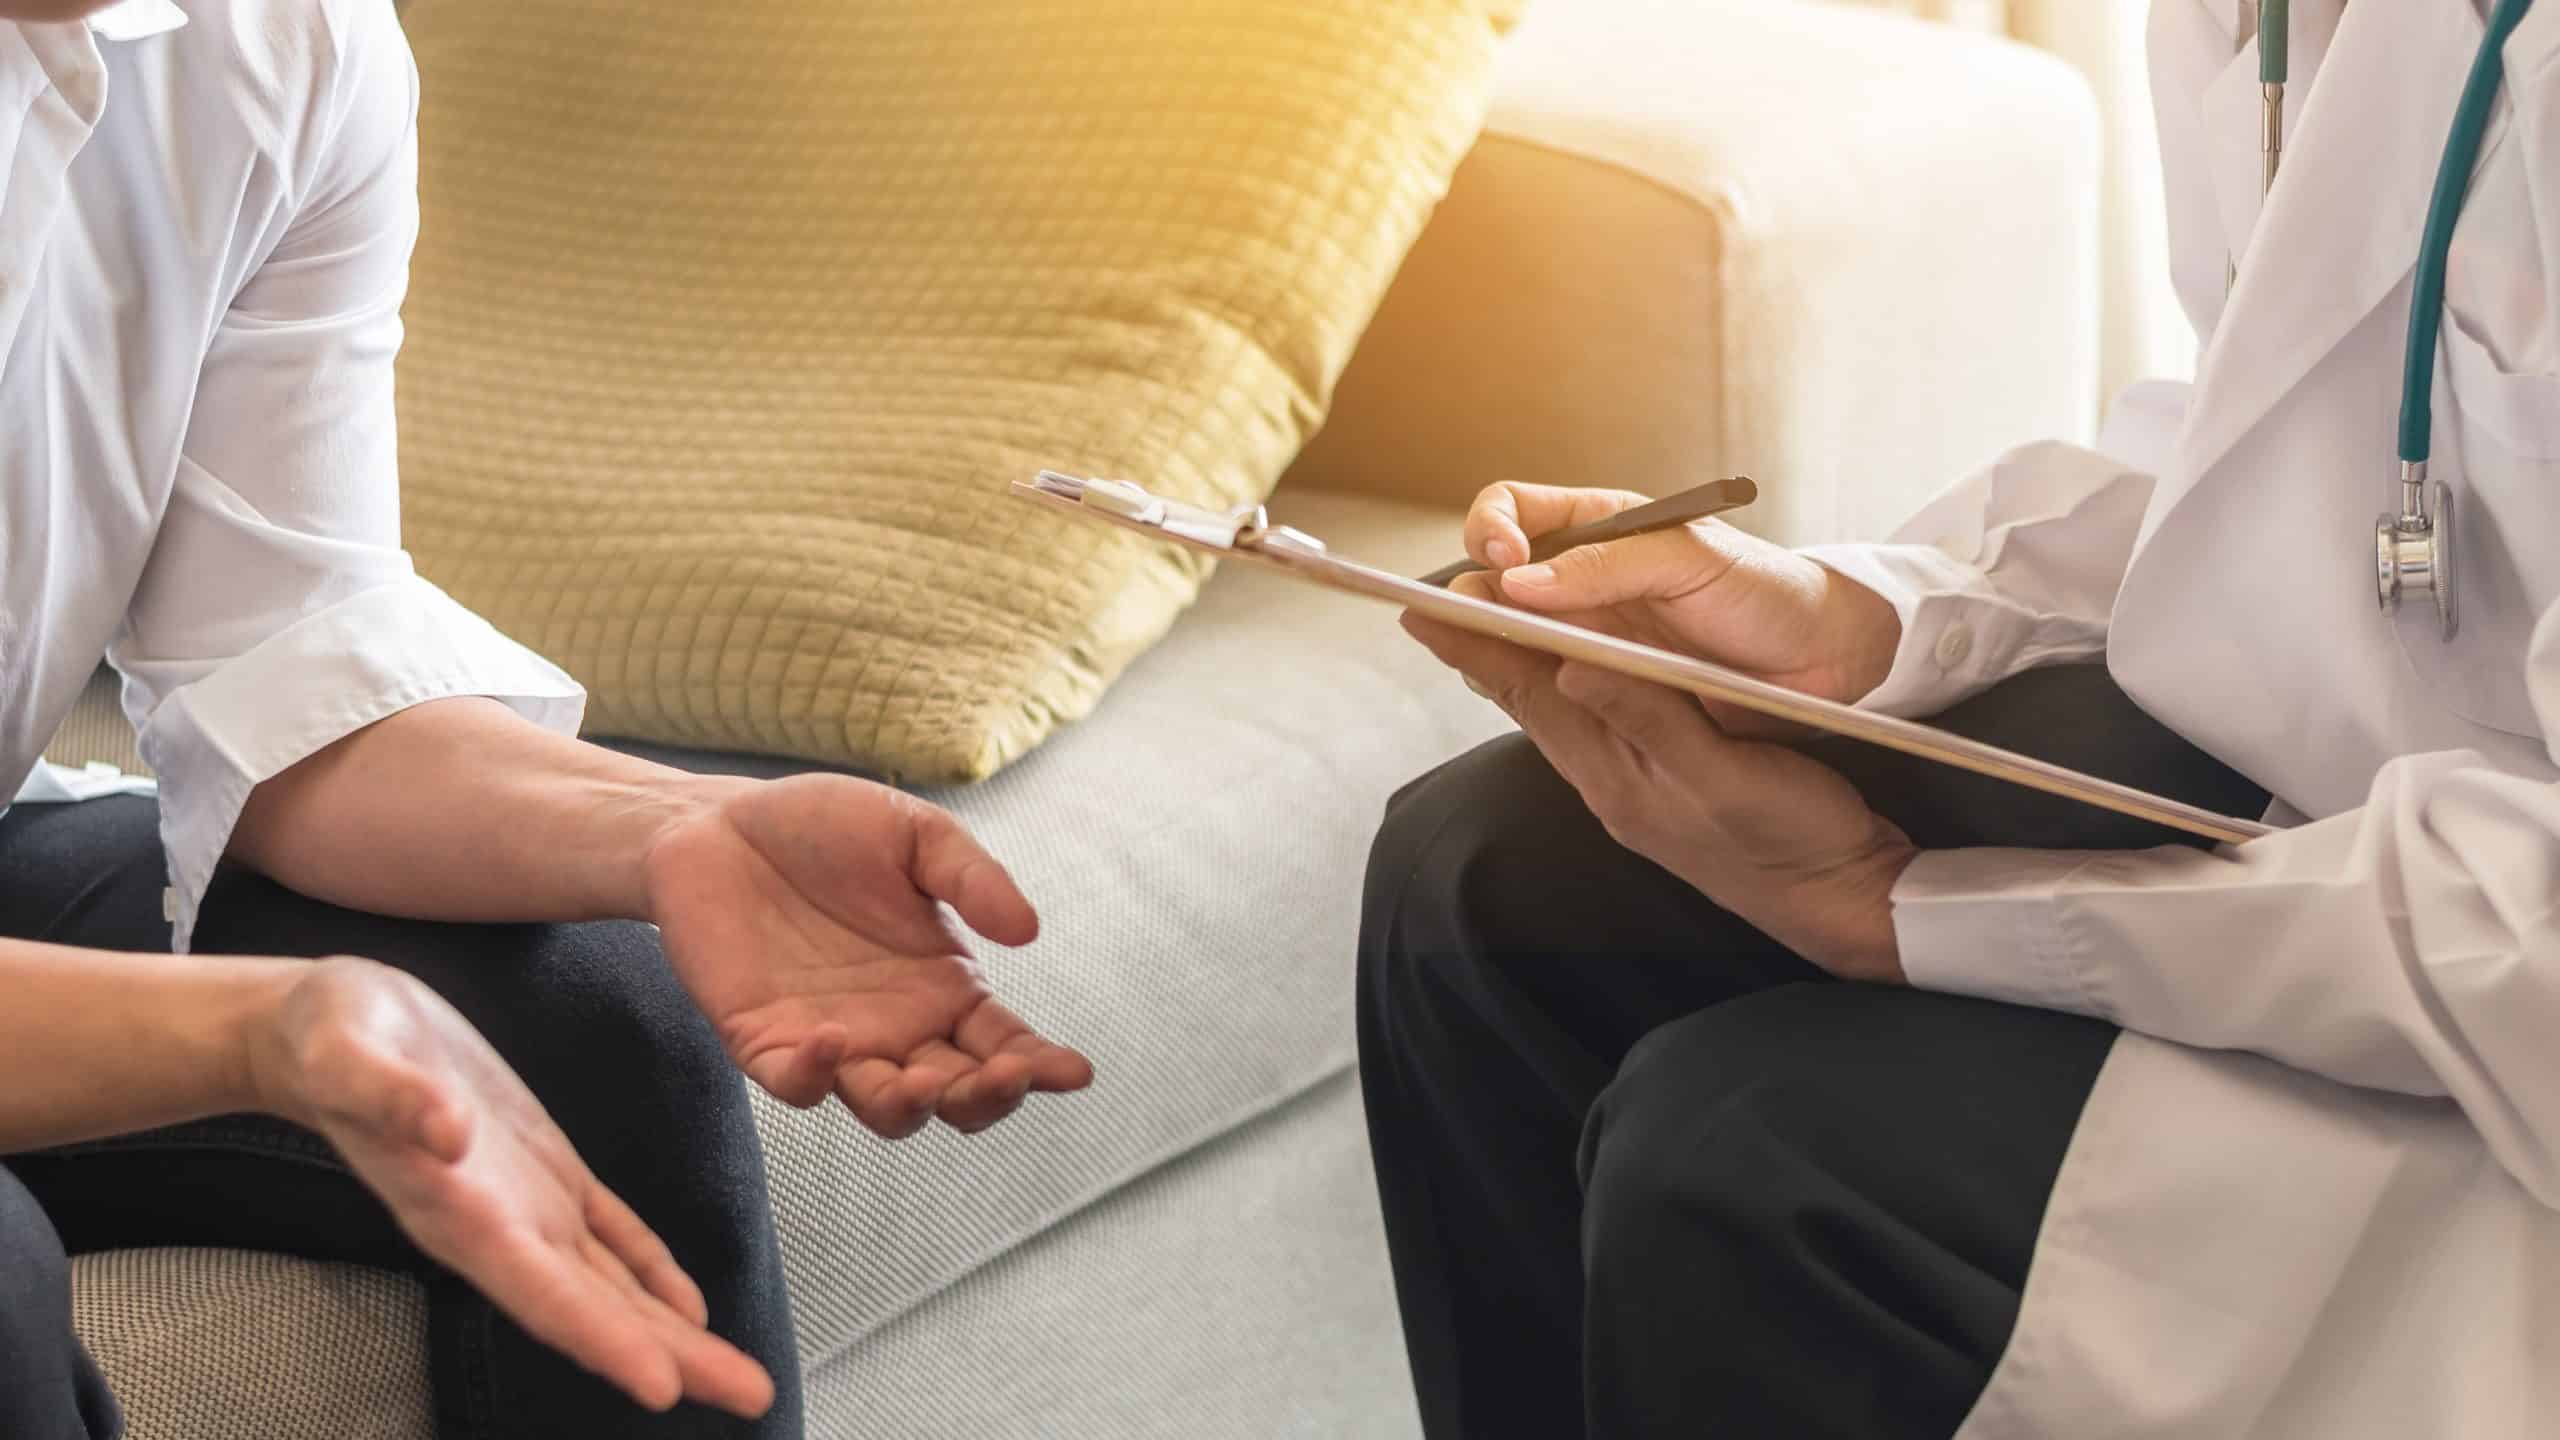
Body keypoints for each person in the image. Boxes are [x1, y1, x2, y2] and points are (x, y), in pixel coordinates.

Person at [1361, 0, 2560, 1435]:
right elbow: (2297, 424)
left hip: (2516, 1038)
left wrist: (1903, 910)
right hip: (2377, 793)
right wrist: (1862, 617)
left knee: (1746, 1168)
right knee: (1486, 876)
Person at [0, 3, 1092, 1437]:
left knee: (594, 1019)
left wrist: (684, 830)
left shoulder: (275, 41)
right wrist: (271, 1027)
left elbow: (282, 656)